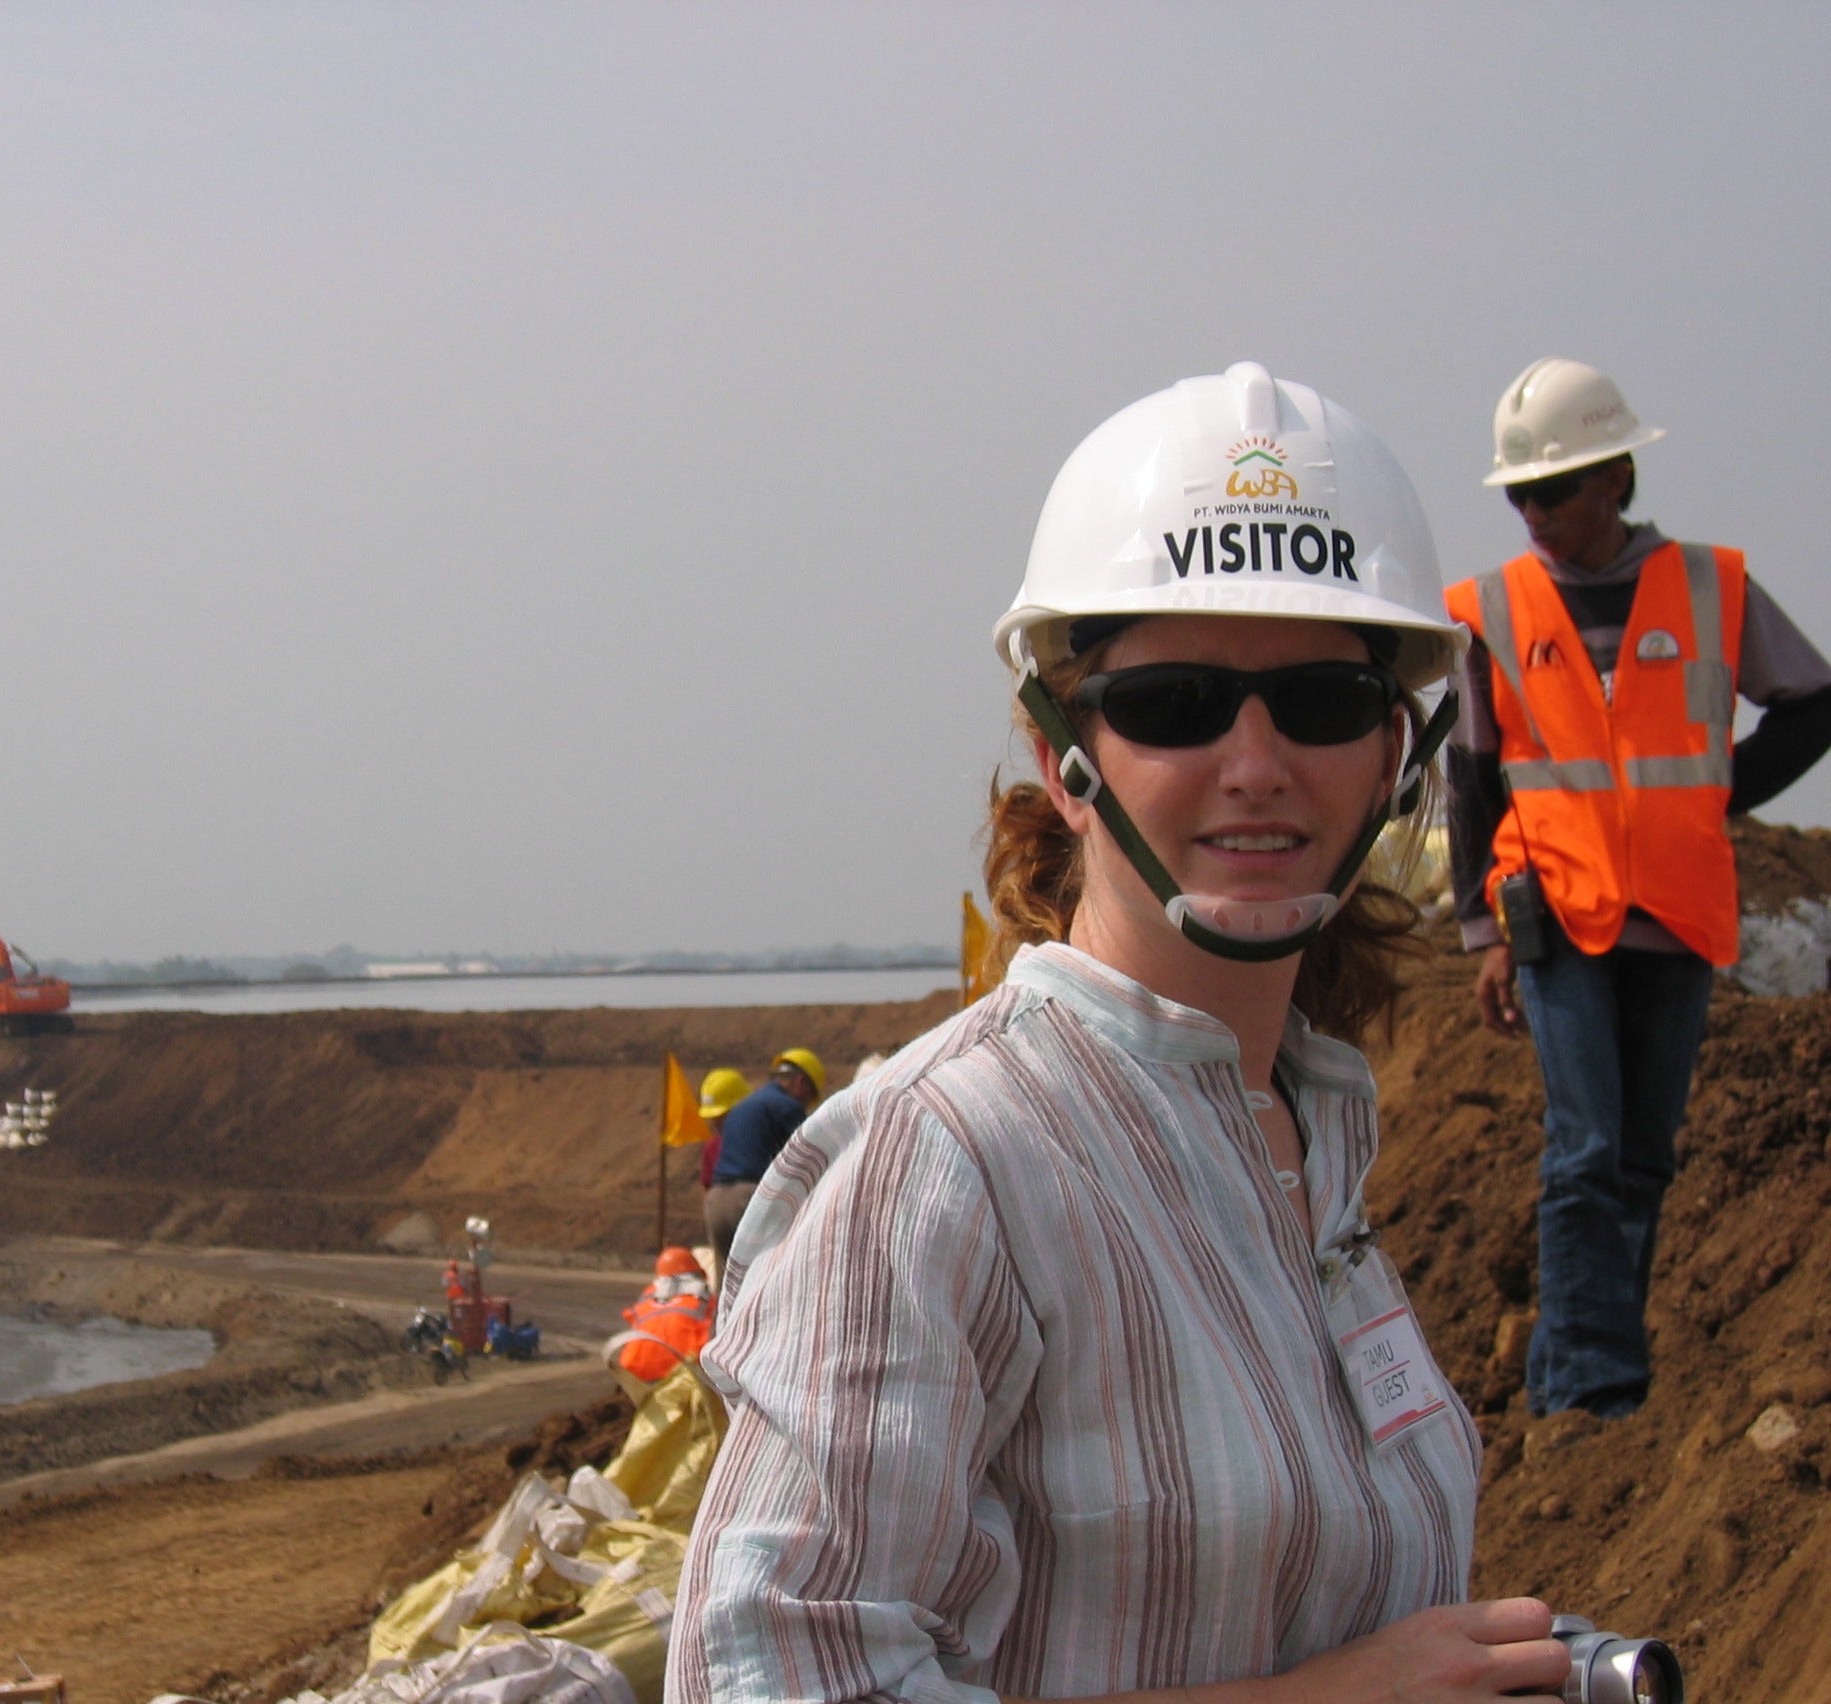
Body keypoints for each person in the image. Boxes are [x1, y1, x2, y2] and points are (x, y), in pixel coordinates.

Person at [668, 364, 1571, 1704]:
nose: (1257, 762)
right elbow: (769, 1676)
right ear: (1064, 754)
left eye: (1322, 700)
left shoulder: (1308, 1138)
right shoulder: (951, 1160)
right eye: (1176, 703)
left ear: (1398, 751)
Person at [1446, 358, 1831, 1420]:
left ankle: (1575, 1367)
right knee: (1583, 1148)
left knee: (1645, 1157)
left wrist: (1719, 792)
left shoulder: (1711, 588)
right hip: (1556, 907)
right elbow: (1471, 778)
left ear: (1614, 478)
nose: (1533, 512)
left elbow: (1811, 702)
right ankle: (1590, 1392)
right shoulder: (1490, 608)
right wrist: (1481, 930)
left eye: (1552, 489)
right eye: (1518, 492)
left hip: (1674, 903)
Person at [702, 1048, 825, 1265]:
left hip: (717, 1203)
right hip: (749, 1200)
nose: (807, 1104)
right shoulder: (787, 1107)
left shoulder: (743, 1107)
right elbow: (809, 1161)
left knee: (729, 1287)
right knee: (767, 1275)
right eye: (810, 1096)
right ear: (801, 1082)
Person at [612, 1246, 717, 1385]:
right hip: (686, 1372)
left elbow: (632, 1318)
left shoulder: (647, 1295)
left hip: (634, 1371)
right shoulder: (705, 1298)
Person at [695, 1068, 752, 1193]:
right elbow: (709, 1195)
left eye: (722, 1116)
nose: (716, 1123)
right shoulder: (713, 1148)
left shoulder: (768, 1140)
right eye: (714, 1117)